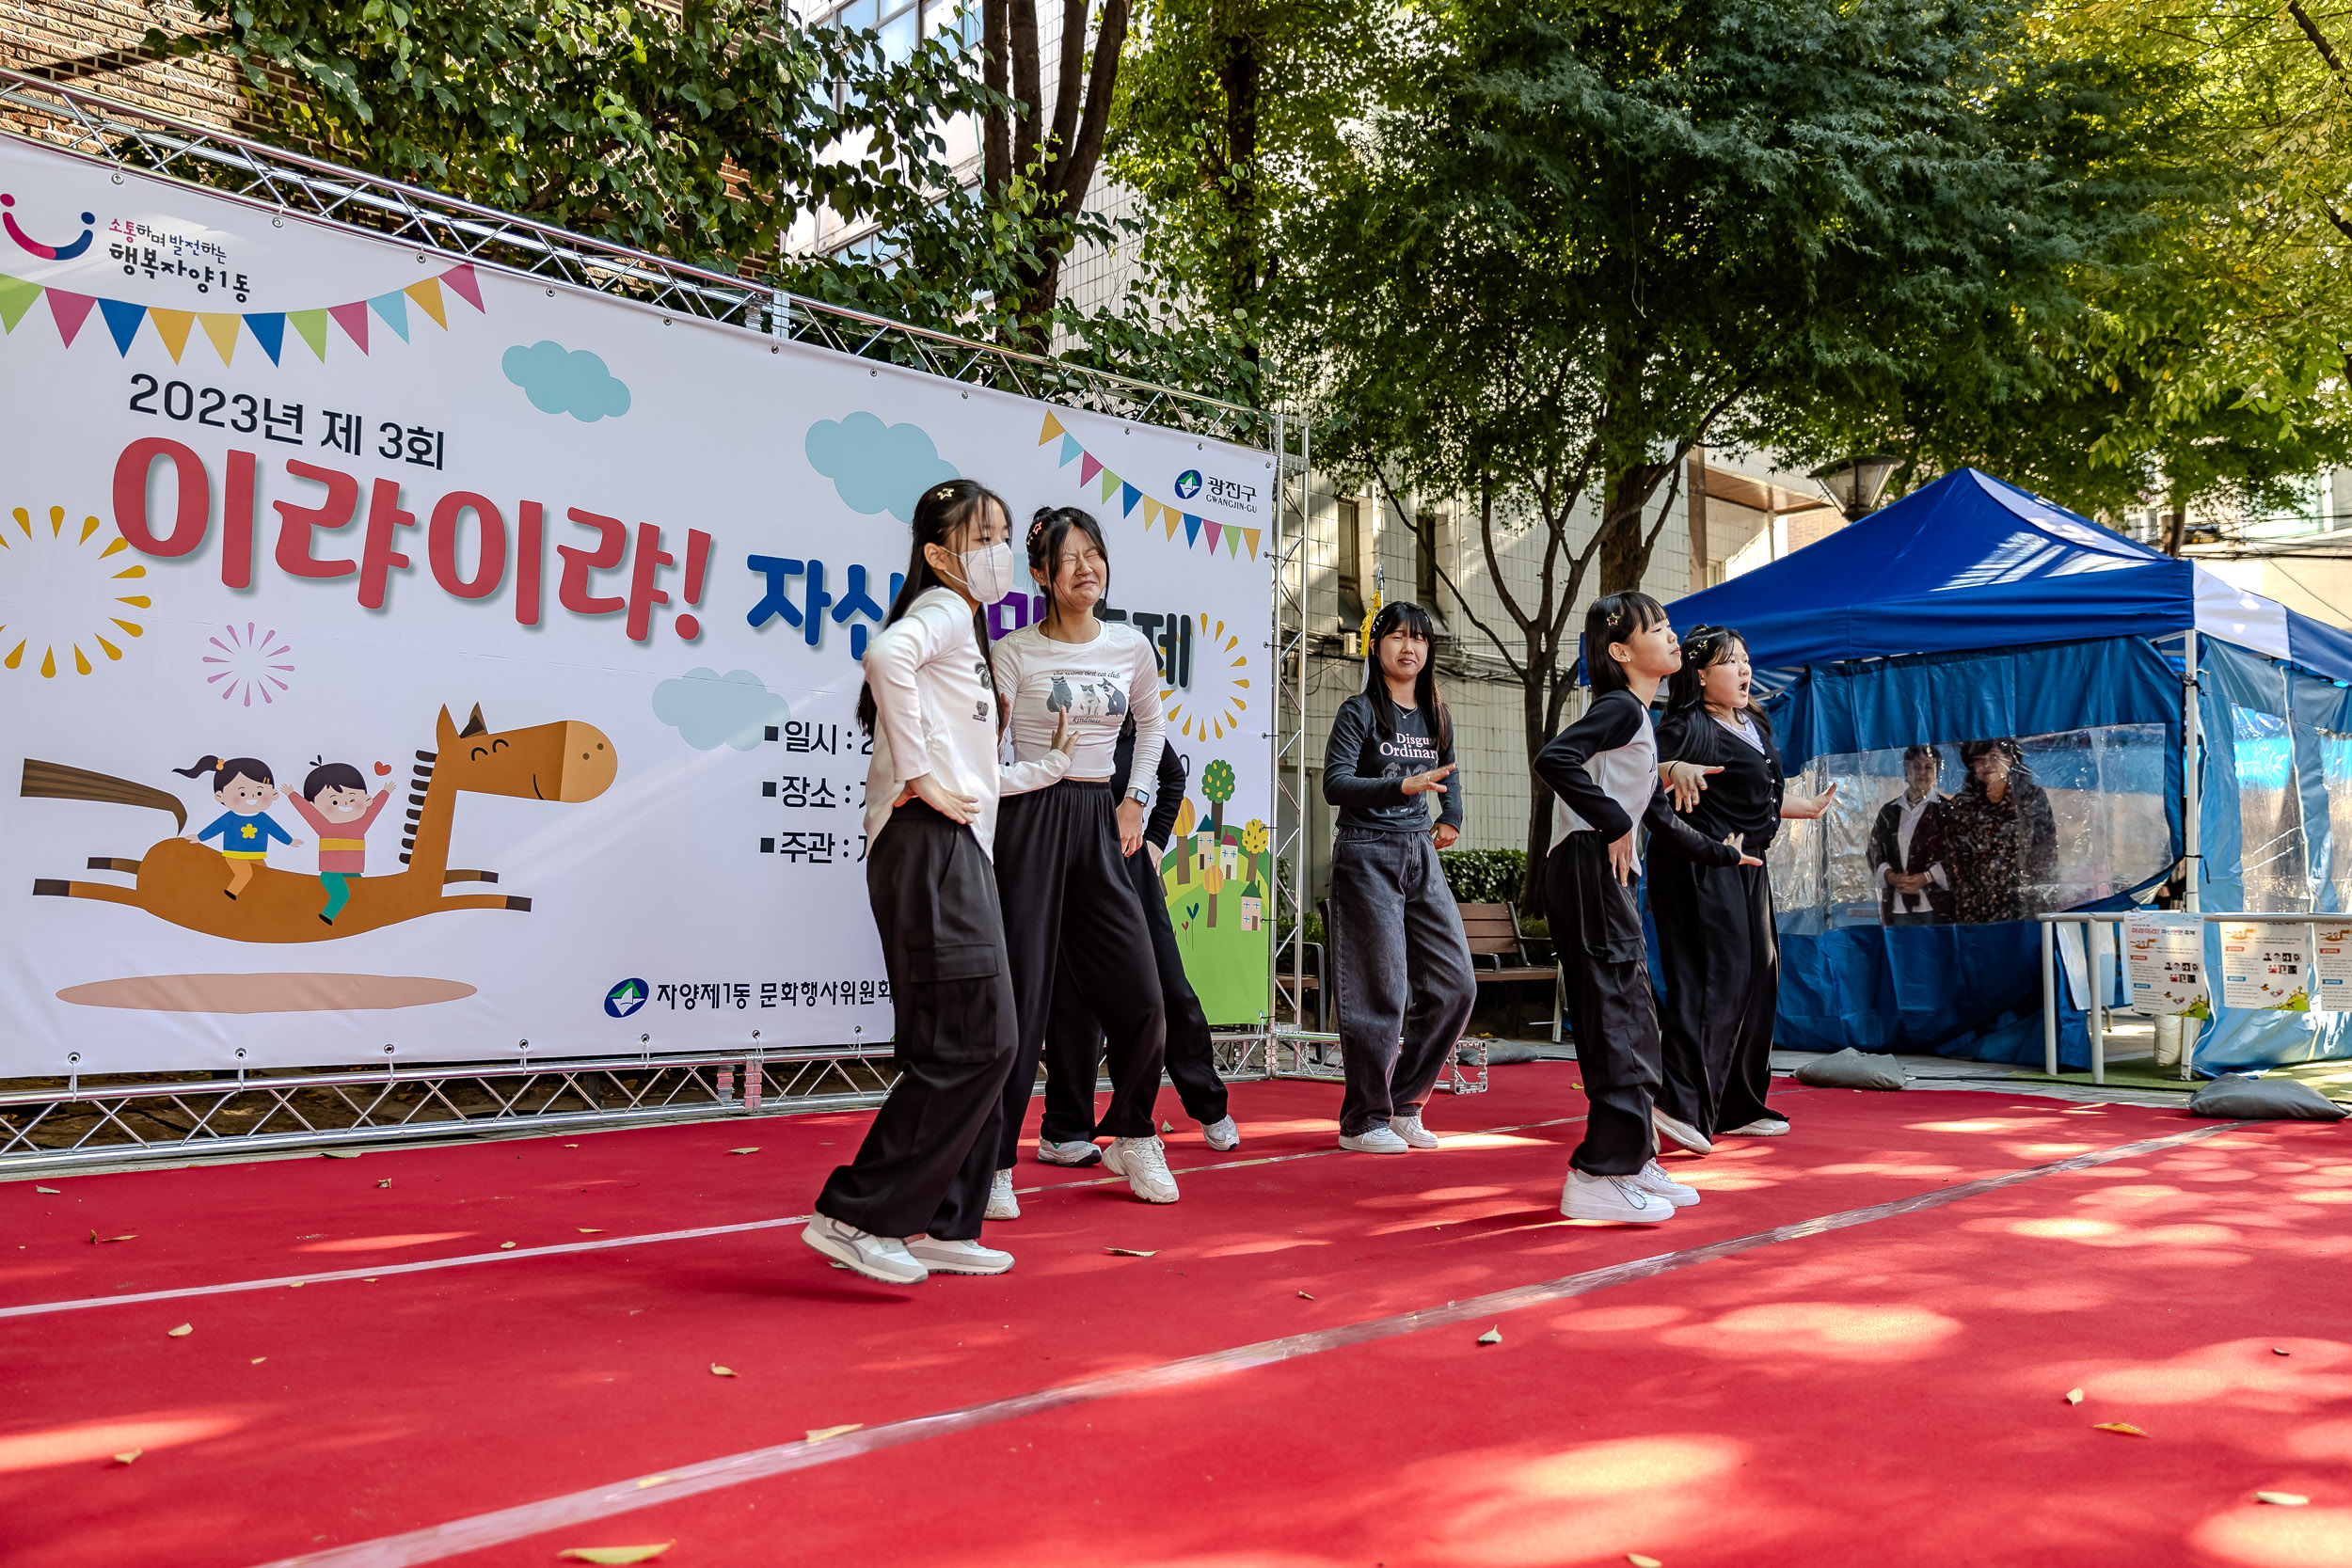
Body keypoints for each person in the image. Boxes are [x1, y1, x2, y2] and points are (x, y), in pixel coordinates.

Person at [803, 479, 1071, 1287]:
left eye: (1001, 533)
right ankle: (856, 1213)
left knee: (977, 1042)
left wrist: (1051, 765)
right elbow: (882, 655)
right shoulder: (947, 611)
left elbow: (979, 773)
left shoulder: (967, 628)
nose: (997, 551)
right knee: (978, 1038)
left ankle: (945, 1220)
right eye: (980, 536)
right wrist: (919, 776)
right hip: (929, 843)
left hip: (950, 844)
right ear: (937, 552)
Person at [1535, 593, 1756, 1225]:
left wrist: (1722, 854)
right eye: (1657, 628)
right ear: (1621, 651)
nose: (1671, 634)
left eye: (1667, 625)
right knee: (1619, 1021)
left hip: (1602, 873)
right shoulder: (1615, 708)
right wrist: (1608, 820)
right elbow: (1555, 758)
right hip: (1586, 869)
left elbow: (1657, 816)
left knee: (1634, 1018)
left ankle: (1631, 1159)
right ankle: (1599, 1171)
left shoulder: (1636, 714)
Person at [988, 506, 1177, 1213]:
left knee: (1142, 995)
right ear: (1040, 574)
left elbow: (1152, 723)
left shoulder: (1129, 646)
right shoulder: (1012, 652)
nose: (1086, 567)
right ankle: (994, 1159)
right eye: (1069, 558)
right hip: (1031, 819)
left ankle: (1133, 1131)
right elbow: (992, 743)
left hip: (1101, 817)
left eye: (1094, 553)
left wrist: (1134, 800)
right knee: (1022, 999)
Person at [1650, 626, 1837, 1152]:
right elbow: (1638, 768)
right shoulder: (1685, 724)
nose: (1745, 670)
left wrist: (1802, 806)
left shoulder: (1752, 720)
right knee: (1715, 980)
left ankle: (1737, 1105)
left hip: (1746, 865)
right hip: (1698, 867)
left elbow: (1748, 796)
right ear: (1702, 675)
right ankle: (1678, 1104)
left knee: (1759, 976)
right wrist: (1672, 767)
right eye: (1731, 662)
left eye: (1747, 660)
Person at [1321, 600, 1479, 1153]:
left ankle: (1405, 1102)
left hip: (1420, 853)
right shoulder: (1358, 711)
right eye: (1397, 637)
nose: (1408, 648)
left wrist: (1451, 817)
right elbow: (1335, 785)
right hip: (1367, 852)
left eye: (1419, 639)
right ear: (1376, 646)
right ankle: (1363, 1119)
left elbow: (1449, 773)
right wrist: (1400, 788)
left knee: (1457, 984)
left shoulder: (1436, 710)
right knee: (1380, 989)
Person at [1043, 720, 1240, 1154]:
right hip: (1067, 868)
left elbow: (1173, 778)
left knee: (1171, 989)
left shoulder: (1134, 726)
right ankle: (1064, 1129)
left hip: (1130, 869)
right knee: (1073, 1001)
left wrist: (1154, 841)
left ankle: (1209, 1106)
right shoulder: (1050, 714)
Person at [1943, 738, 2058, 923]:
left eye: (1995, 757)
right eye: (1979, 759)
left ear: (2011, 759)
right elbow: (1952, 856)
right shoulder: (1961, 803)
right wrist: (1965, 895)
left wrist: (2037, 896)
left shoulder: (2031, 798)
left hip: (2023, 906)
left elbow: (2046, 851)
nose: (1987, 764)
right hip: (1974, 908)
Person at [177, 755, 304, 899]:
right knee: (245, 874)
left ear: (273, 794)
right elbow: (215, 828)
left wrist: (290, 841)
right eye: (242, 793)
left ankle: (257, 898)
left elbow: (276, 831)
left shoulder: (263, 818)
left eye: (260, 792)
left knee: (264, 875)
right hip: (234, 854)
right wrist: (199, 837)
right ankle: (230, 894)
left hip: (256, 855)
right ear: (220, 796)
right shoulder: (230, 818)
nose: (251, 797)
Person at [285, 759, 392, 926]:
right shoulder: (324, 827)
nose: (344, 804)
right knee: (341, 895)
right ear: (315, 805)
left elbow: (374, 810)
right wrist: (293, 795)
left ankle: (358, 919)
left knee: (360, 893)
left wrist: (385, 792)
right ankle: (327, 916)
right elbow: (307, 812)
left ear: (365, 799)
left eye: (352, 798)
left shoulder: (360, 825)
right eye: (334, 801)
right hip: (330, 873)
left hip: (352, 871)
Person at [1867, 744, 1951, 926]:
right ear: (1906, 771)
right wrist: (1891, 876)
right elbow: (1874, 851)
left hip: (1937, 906)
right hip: (1896, 906)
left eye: (1928, 767)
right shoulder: (1889, 812)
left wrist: (1926, 877)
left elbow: (1960, 856)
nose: (1921, 772)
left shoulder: (1946, 811)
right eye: (1916, 766)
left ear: (1937, 772)